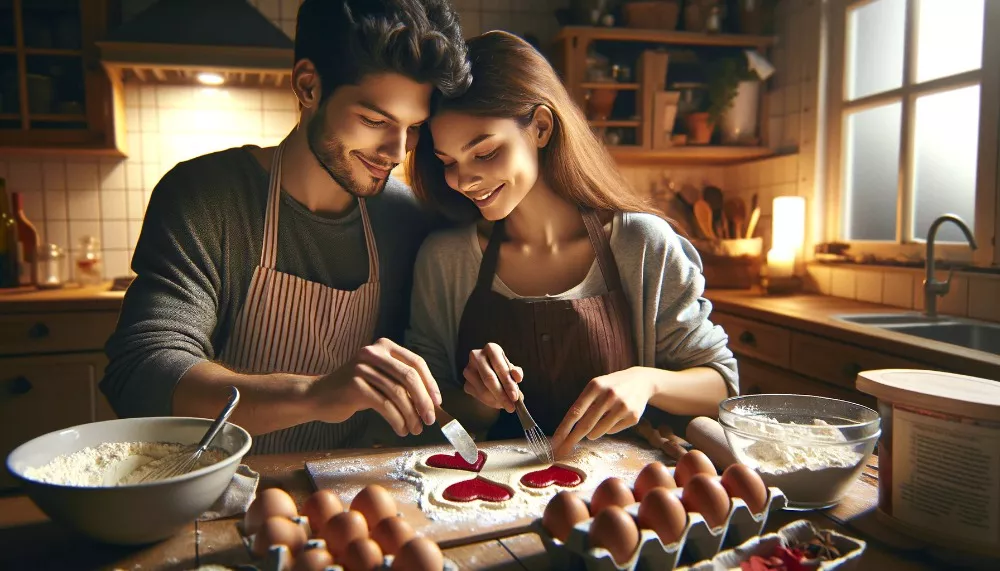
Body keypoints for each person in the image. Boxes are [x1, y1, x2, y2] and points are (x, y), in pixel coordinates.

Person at [100, 0, 472, 454]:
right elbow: (141, 374)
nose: (396, 151)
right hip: (217, 486)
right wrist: (313, 396)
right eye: (375, 120)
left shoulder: (404, 218)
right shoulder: (205, 197)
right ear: (308, 85)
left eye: (413, 128)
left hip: (342, 489)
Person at [404, 31, 737, 458]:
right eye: (448, 162)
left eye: (484, 152)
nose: (463, 180)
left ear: (541, 127)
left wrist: (646, 381)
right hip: (494, 499)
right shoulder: (445, 259)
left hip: (623, 499)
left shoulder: (640, 244)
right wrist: (480, 401)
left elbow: (721, 385)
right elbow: (427, 415)